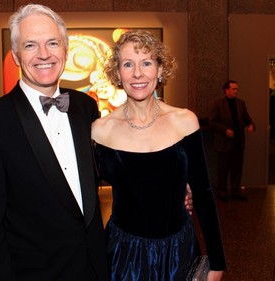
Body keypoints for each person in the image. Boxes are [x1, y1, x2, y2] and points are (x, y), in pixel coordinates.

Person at [0, 4, 108, 280]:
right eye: (30, 45)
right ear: (16, 56)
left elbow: (108, 170)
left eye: (53, 43)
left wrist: (173, 188)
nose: (44, 54)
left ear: (65, 49)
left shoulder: (85, 107)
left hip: (93, 269)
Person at [92, 30, 225, 281]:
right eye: (128, 64)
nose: (138, 73)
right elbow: (88, 201)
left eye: (147, 63)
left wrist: (217, 263)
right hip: (123, 255)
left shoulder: (185, 121)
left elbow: (204, 194)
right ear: (117, 74)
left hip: (179, 251)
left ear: (160, 70)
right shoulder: (100, 130)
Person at [209, 80, 255, 202]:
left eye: (236, 89)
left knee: (237, 169)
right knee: (223, 170)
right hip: (224, 143)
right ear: (226, 90)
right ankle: (222, 192)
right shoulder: (218, 104)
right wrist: (225, 130)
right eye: (233, 89)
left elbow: (247, 118)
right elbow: (212, 122)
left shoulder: (241, 103)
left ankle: (235, 191)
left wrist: (251, 125)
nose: (236, 91)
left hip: (238, 142)